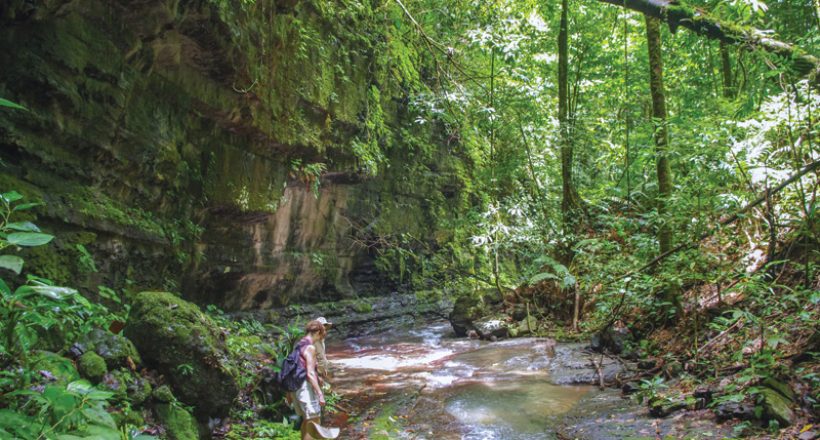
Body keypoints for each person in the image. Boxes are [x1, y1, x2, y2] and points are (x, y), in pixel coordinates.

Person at [291, 320, 339, 440]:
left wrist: (288, 393)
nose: (320, 338)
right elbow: (310, 373)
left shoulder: (299, 344)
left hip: (294, 386)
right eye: (321, 335)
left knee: (307, 421)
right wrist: (320, 394)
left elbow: (293, 368)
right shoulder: (310, 347)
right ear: (317, 332)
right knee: (314, 422)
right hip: (305, 387)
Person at [314, 317, 333, 381]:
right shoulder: (313, 343)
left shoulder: (322, 341)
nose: (325, 331)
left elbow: (322, 357)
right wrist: (318, 376)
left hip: (323, 374)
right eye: (323, 328)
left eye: (325, 329)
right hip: (316, 376)